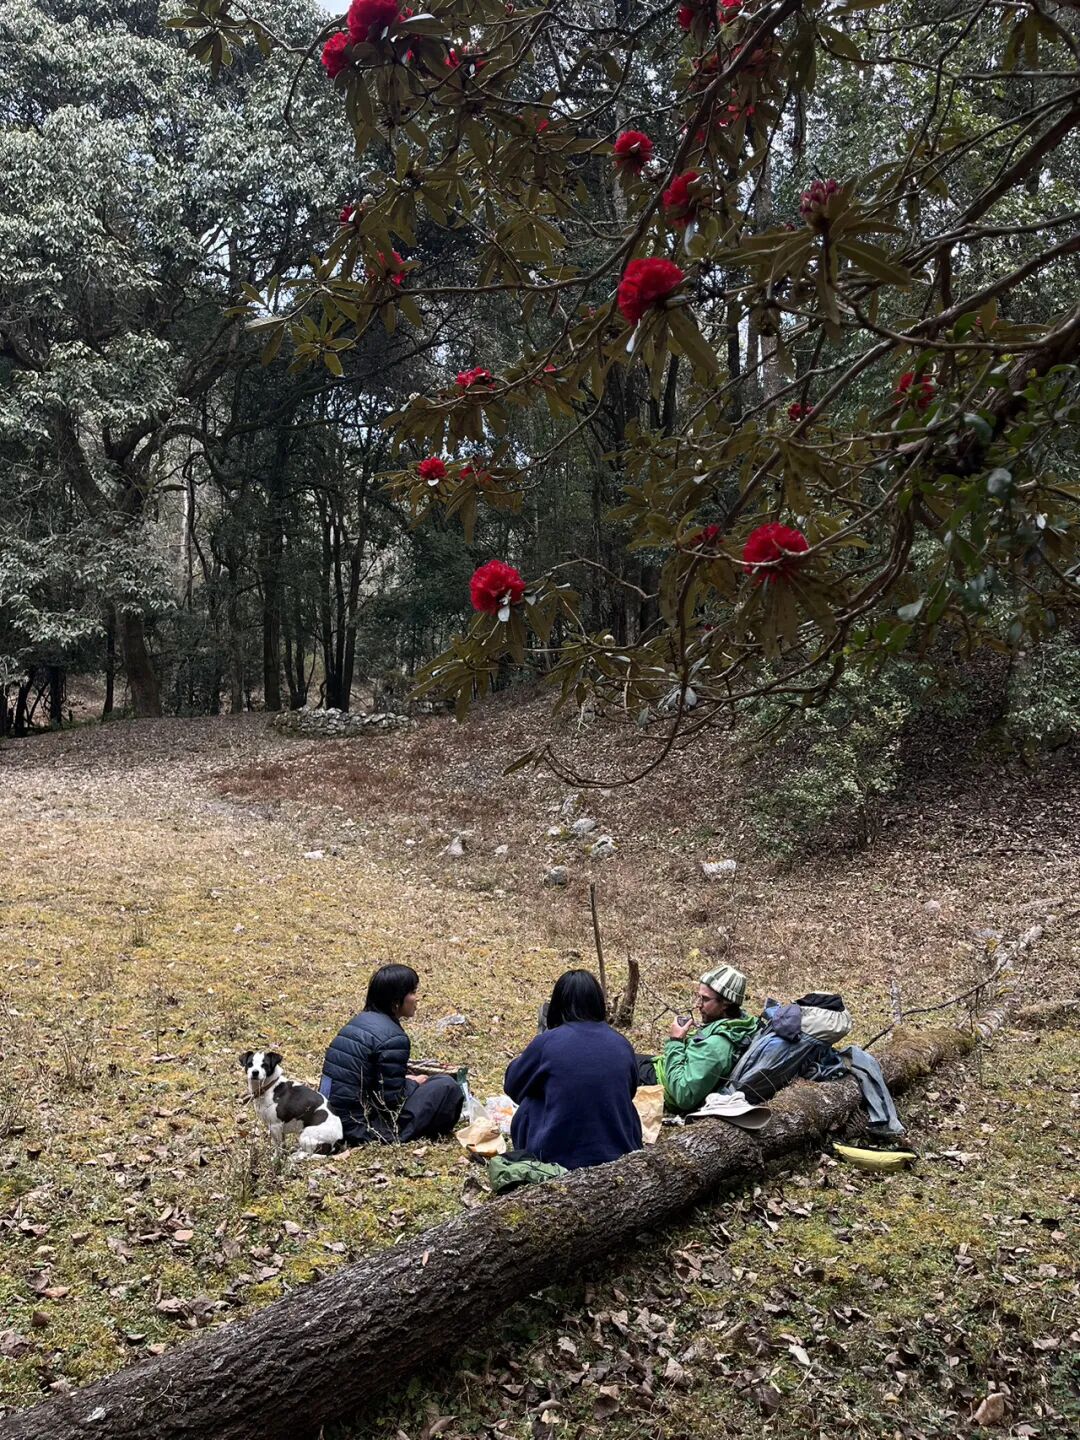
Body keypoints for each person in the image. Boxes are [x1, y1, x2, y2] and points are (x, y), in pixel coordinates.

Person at [504, 970, 641, 1171]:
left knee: (532, 1100)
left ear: (557, 1004)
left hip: (557, 1161)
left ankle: (540, 1154)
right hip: (620, 1156)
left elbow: (513, 1087)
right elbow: (629, 1092)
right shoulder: (622, 1044)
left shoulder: (547, 1043)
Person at [320, 964, 463, 1145]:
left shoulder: (359, 1021)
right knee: (446, 1086)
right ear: (396, 1000)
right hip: (360, 1128)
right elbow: (390, 1102)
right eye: (412, 992)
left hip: (330, 1116)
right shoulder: (394, 1038)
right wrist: (413, 1082)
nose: (417, 999)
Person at [636, 964, 758, 1115]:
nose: (698, 1005)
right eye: (699, 997)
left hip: (664, 1088)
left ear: (726, 1003)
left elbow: (683, 1095)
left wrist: (676, 1041)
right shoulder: (738, 1024)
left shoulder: (715, 1046)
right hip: (666, 1069)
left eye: (705, 999)